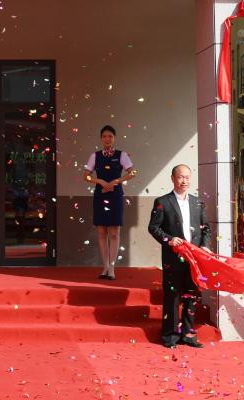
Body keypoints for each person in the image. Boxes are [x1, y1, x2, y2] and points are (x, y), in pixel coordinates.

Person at [147, 164, 210, 349]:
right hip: (173, 258)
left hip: (194, 258)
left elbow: (206, 228)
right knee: (172, 296)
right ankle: (170, 336)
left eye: (187, 177)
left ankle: (189, 335)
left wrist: (204, 246)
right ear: (173, 178)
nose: (184, 181)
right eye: (181, 177)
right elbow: (153, 227)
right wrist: (169, 239)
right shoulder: (163, 202)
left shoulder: (197, 202)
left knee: (191, 295)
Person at [83, 125, 135, 280]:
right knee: (101, 232)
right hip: (100, 196)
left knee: (114, 232)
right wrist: (100, 181)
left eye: (110, 136)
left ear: (114, 138)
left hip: (116, 196)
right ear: (101, 138)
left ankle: (112, 267)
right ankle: (105, 266)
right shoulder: (95, 156)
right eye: (104, 136)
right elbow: (86, 175)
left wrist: (116, 181)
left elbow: (132, 172)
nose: (107, 139)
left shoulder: (121, 155)